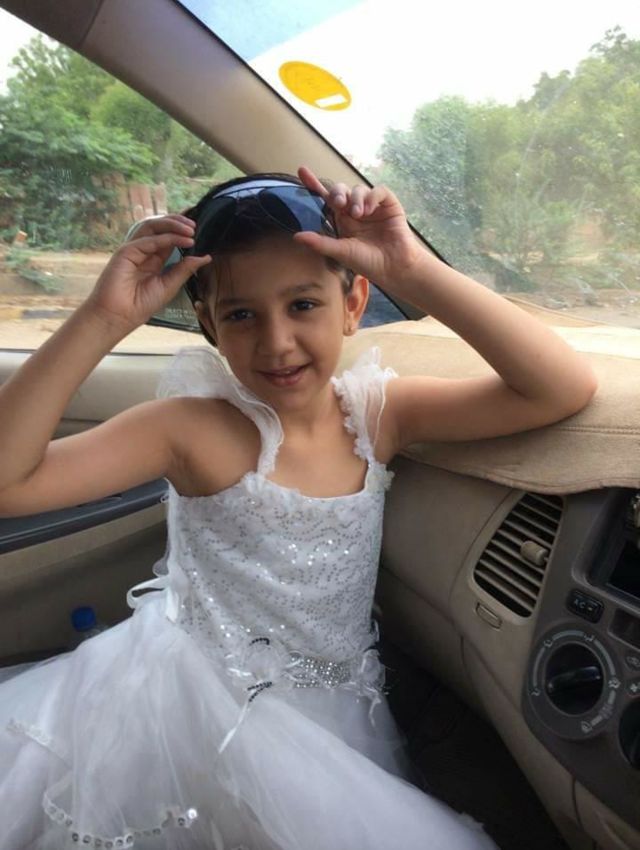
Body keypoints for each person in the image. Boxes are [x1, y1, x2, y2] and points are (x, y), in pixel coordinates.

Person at [0, 167, 597, 849]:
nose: (277, 342)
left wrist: (414, 270)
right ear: (209, 324)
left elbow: (558, 388)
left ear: (354, 302)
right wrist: (104, 318)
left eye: (303, 304)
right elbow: (9, 484)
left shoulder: (378, 414)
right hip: (187, 701)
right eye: (241, 315)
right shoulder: (188, 428)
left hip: (337, 708)